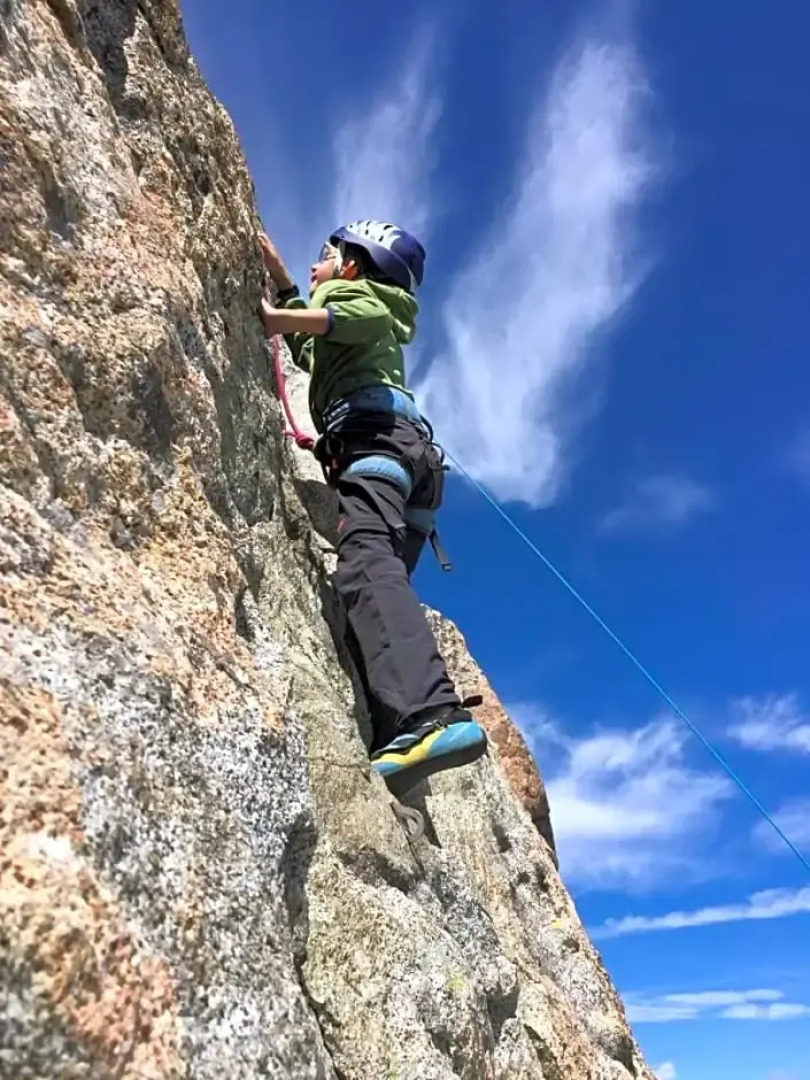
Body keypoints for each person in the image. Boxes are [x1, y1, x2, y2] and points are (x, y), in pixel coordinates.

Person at [257, 219, 487, 796]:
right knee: (374, 595)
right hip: (411, 466)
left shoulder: (356, 295)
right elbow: (315, 348)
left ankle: (431, 716)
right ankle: (397, 729)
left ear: (353, 265)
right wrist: (285, 286)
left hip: (377, 443)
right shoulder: (369, 307)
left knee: (364, 561)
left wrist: (276, 317)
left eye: (325, 256)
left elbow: (344, 317)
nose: (317, 267)